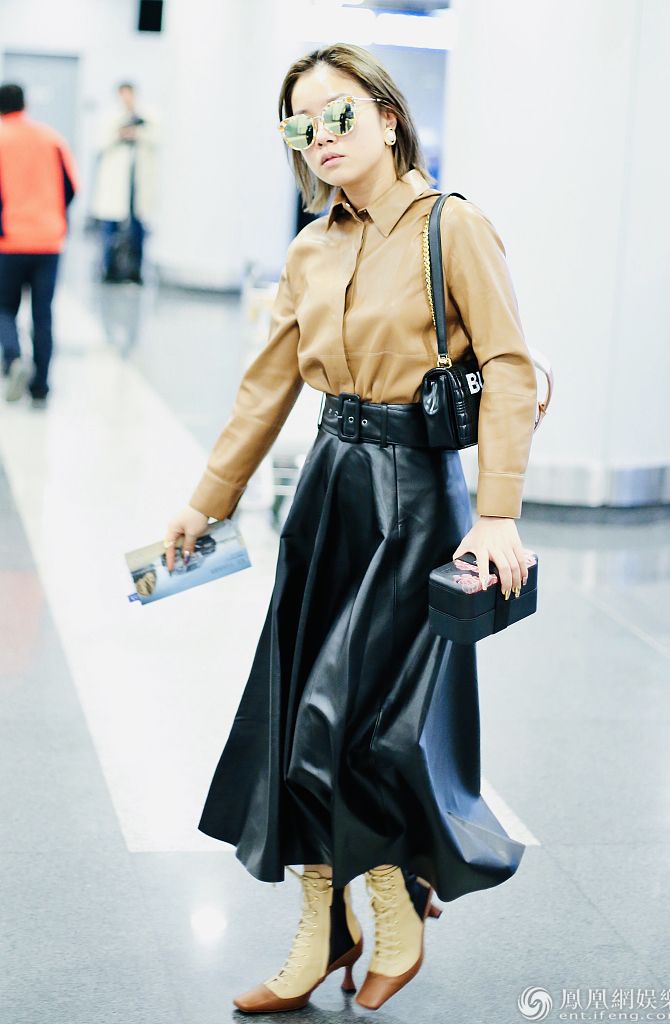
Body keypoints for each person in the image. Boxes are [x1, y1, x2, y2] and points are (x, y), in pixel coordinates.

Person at [163, 43, 538, 1013]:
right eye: (299, 124)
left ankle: (392, 899)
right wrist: (205, 501)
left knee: (350, 724)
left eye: (337, 114)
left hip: (414, 502)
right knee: (295, 715)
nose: (319, 137)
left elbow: (506, 365)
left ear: (385, 116)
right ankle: (323, 924)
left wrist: (496, 513)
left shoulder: (452, 226)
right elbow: (265, 388)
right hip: (328, 492)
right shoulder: (309, 248)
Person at [0, 82, 79, 407]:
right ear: (25, 104)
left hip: (8, 241)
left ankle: (13, 357)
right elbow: (71, 187)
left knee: (4, 308)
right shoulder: (51, 138)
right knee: (43, 314)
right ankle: (40, 386)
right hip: (48, 241)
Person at [90, 82, 157, 284]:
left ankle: (135, 271)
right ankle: (108, 269)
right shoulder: (109, 118)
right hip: (114, 187)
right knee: (109, 229)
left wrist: (138, 133)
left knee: (138, 230)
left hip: (137, 186)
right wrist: (120, 134)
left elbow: (158, 138)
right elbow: (99, 143)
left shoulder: (147, 116)